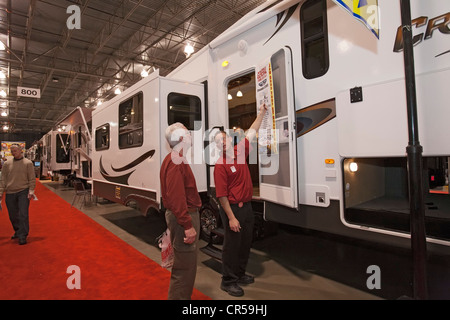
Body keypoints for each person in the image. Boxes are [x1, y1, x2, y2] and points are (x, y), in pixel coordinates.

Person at [213, 103, 268, 296]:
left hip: (246, 207)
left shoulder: (240, 151)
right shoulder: (220, 165)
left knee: (245, 243)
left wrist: (262, 112)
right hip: (232, 209)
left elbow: (252, 131)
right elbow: (221, 195)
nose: (223, 144)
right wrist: (231, 217)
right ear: (218, 147)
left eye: (224, 140)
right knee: (232, 246)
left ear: (229, 140)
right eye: (219, 143)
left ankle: (240, 274)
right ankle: (228, 281)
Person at [160, 122, 201, 300]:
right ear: (183, 139)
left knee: (184, 267)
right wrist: (187, 225)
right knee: (185, 270)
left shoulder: (174, 158)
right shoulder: (176, 160)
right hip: (183, 218)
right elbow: (177, 198)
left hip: (181, 217)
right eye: (188, 133)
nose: (191, 136)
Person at [0, 144, 36, 245]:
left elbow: (32, 178)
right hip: (10, 192)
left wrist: (31, 190)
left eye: (15, 150)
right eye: (12, 151)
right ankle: (17, 230)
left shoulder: (28, 163)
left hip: (23, 191)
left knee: (23, 214)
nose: (13, 152)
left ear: (21, 151)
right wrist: (1, 192)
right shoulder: (7, 164)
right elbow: (3, 179)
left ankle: (23, 235)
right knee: (12, 215)